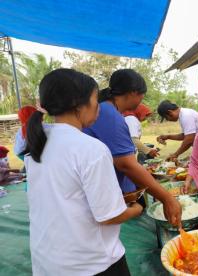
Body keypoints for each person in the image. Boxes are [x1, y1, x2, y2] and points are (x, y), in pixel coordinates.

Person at [23, 68, 143, 275]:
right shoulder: (91, 148)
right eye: (96, 99)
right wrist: (136, 209)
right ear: (79, 105)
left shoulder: (36, 144)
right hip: (91, 264)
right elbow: (108, 216)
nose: (98, 106)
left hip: (47, 262)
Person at [84, 69, 181, 224]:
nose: (141, 101)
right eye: (142, 96)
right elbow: (126, 165)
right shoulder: (111, 116)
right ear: (133, 93)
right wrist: (167, 198)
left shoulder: (106, 110)